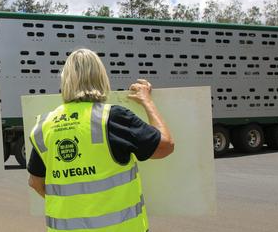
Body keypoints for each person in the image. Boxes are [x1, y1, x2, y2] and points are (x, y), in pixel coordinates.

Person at [27, 48, 174, 232]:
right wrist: (147, 101)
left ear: (66, 81)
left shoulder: (45, 126)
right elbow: (165, 146)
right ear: (101, 78)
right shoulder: (112, 118)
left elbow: (35, 182)